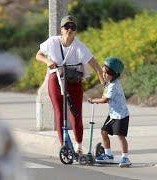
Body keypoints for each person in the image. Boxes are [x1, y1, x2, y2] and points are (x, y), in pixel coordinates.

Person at [36, 15, 104, 154]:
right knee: (60, 112)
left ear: (76, 31)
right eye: (67, 26)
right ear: (61, 29)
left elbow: (96, 66)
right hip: (57, 79)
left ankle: (79, 144)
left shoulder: (79, 47)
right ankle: (64, 146)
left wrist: (105, 84)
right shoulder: (52, 42)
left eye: (73, 27)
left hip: (73, 80)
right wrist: (48, 62)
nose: (70, 30)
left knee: (76, 112)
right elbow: (38, 55)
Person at [88, 57, 131, 168]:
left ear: (114, 74)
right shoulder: (110, 83)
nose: (104, 75)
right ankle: (108, 154)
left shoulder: (113, 85)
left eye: (106, 73)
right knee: (104, 132)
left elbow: (104, 100)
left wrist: (93, 100)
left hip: (121, 115)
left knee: (121, 136)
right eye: (103, 72)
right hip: (113, 114)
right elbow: (104, 90)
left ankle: (125, 157)